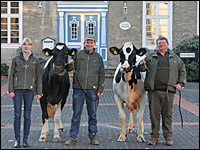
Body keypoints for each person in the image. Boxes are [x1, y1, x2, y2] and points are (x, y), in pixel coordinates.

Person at [139, 37, 186, 146]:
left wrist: (181, 83)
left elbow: (182, 72)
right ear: (157, 45)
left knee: (167, 115)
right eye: (159, 43)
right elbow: (142, 70)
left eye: (163, 43)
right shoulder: (150, 57)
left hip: (168, 91)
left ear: (167, 44)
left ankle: (168, 137)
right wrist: (141, 64)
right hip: (153, 91)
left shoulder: (175, 58)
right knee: (154, 115)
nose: (161, 45)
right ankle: (154, 137)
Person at [65, 35, 105, 146]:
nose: (89, 44)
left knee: (92, 115)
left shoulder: (98, 57)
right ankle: (73, 137)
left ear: (94, 44)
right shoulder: (79, 55)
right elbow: (69, 69)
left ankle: (93, 136)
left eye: (91, 42)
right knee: (76, 114)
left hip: (92, 90)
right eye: (87, 42)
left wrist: (100, 89)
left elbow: (102, 74)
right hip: (79, 89)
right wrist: (69, 64)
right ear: (84, 43)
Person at [8, 38, 42, 148]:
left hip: (29, 90)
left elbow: (38, 77)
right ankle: (17, 139)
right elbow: (11, 75)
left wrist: (39, 91)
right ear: (22, 46)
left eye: (29, 44)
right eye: (25, 45)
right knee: (17, 115)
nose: (26, 46)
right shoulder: (16, 59)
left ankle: (25, 139)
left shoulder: (35, 60)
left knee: (27, 115)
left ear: (31, 46)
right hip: (17, 90)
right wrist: (11, 89)